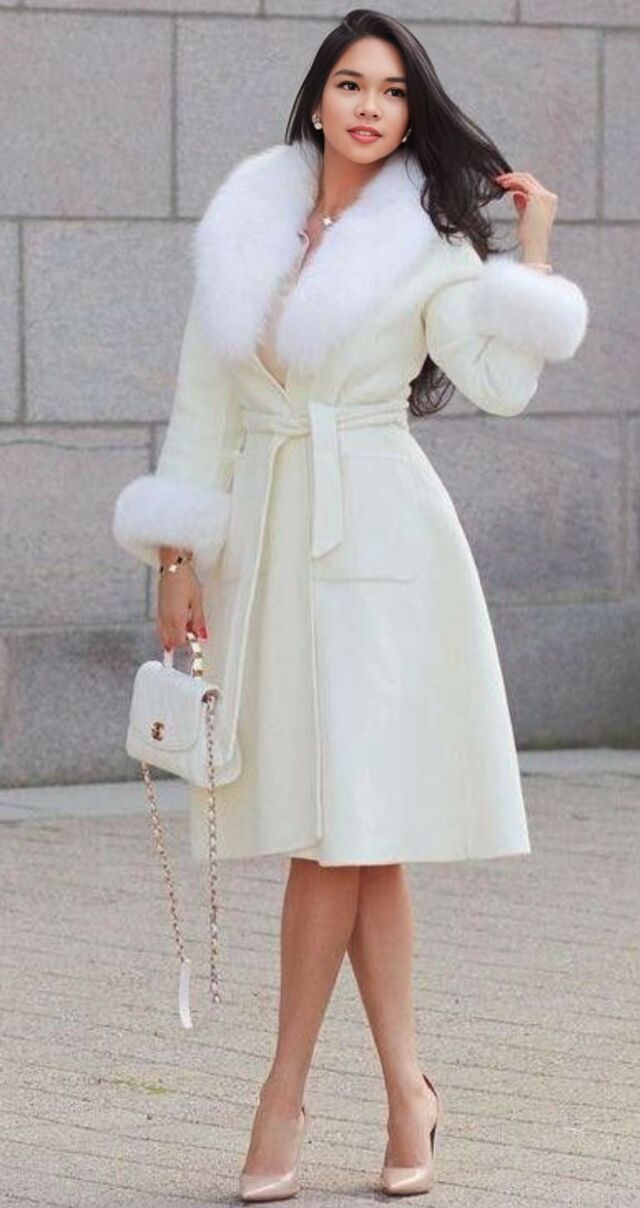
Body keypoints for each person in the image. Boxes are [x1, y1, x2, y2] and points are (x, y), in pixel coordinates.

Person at [112, 9, 588, 1202]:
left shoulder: (426, 243)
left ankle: (281, 1092)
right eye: (350, 84)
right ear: (317, 99)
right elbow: (202, 405)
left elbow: (497, 382)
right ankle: (407, 1090)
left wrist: (530, 255)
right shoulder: (245, 223)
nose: (370, 106)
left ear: (409, 114)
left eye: (392, 91)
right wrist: (176, 556)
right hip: (270, 541)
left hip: (383, 544)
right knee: (353, 833)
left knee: (338, 833)